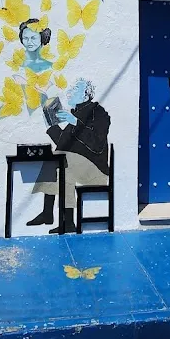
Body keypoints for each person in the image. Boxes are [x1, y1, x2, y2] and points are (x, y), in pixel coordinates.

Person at [26, 78, 111, 233]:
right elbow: (62, 143)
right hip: (77, 165)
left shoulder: (98, 113)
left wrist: (75, 122)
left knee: (63, 164)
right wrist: (50, 121)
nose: (69, 92)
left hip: (95, 170)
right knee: (57, 160)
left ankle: (67, 221)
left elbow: (97, 144)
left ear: (85, 95)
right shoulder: (76, 114)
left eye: (75, 89)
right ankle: (48, 213)